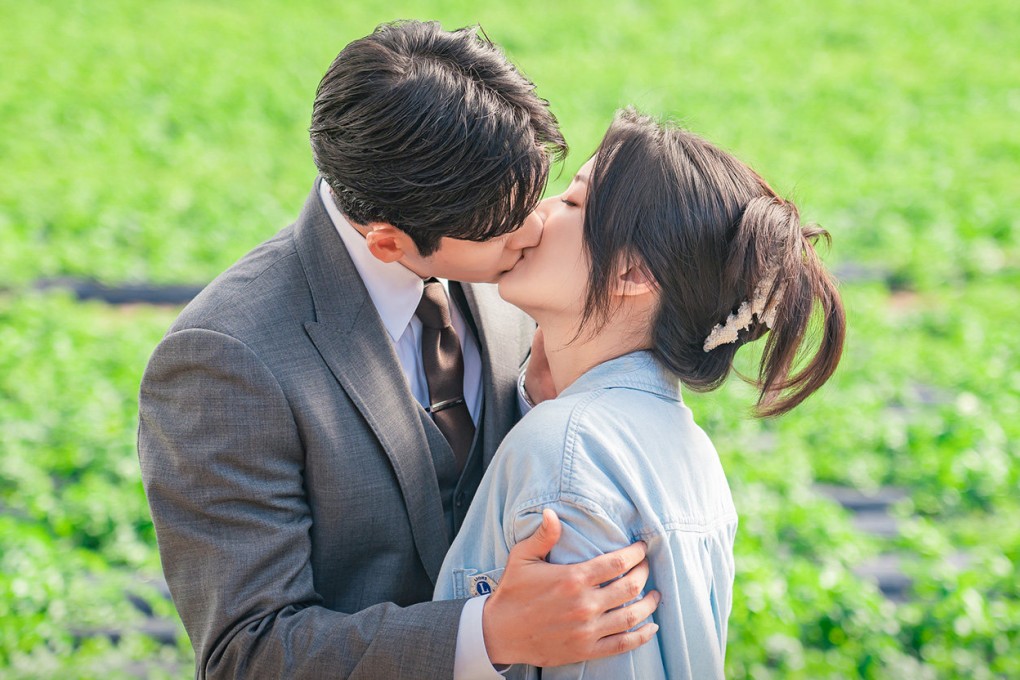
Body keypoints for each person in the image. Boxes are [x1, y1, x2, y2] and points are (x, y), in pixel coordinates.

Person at [137, 22, 660, 679]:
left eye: (536, 192)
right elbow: (250, 651)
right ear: (386, 240)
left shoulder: (514, 279)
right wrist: (486, 637)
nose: (536, 227)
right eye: (504, 223)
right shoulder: (222, 360)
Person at [435, 108, 847, 679]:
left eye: (573, 203)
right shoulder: (688, 449)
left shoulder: (563, 449)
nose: (536, 216)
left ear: (632, 272)